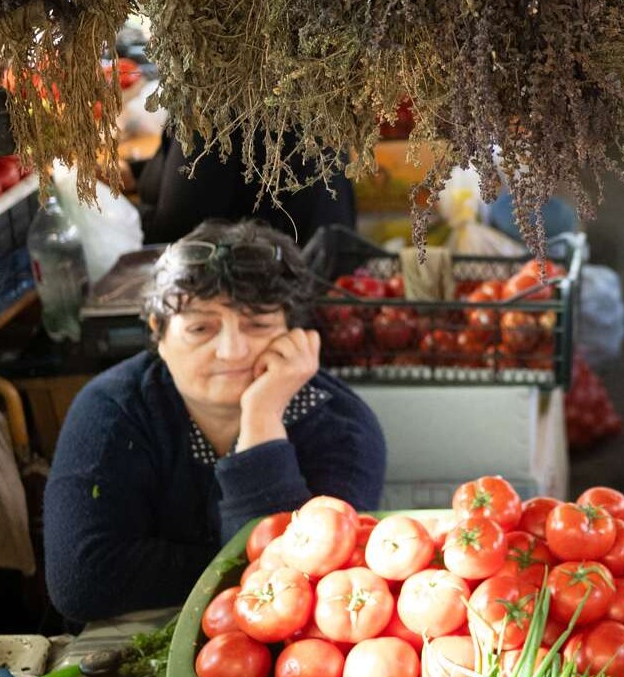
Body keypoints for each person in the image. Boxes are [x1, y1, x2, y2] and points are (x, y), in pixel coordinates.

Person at [43, 221, 387, 624]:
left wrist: (261, 420)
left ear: (295, 333)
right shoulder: (113, 409)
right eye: (200, 328)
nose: (231, 350)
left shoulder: (343, 427)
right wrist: (236, 567)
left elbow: (297, 593)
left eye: (257, 324)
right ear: (159, 334)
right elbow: (81, 581)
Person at [138, 129, 355, 246]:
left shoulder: (212, 106)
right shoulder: (296, 91)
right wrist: (136, 171)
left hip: (269, 295)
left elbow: (178, 233)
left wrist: (123, 217)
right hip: (321, 267)